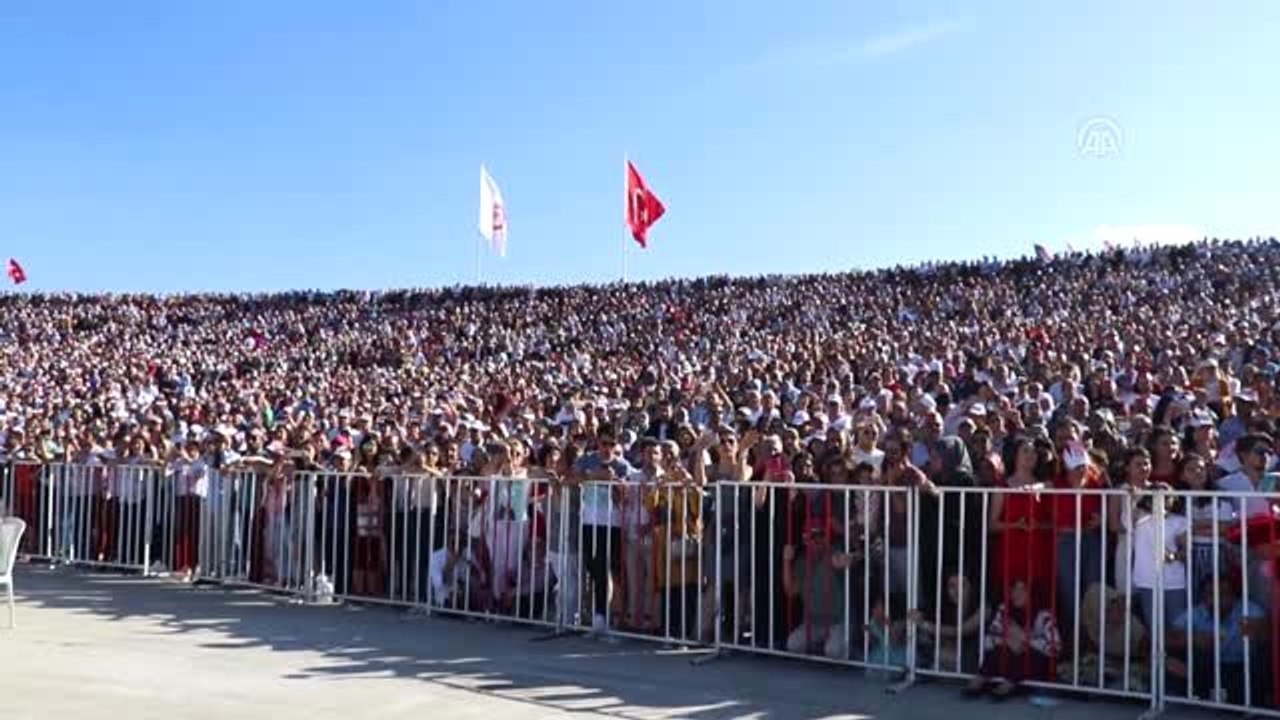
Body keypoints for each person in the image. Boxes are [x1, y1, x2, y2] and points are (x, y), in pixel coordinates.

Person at [966, 579, 1062, 699]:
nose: (1016, 593)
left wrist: (1025, 638)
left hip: (1032, 667)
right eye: (1014, 589)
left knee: (1032, 656)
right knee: (997, 651)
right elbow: (987, 641)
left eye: (1023, 589)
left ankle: (1008, 685)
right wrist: (1006, 640)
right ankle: (979, 680)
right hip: (1007, 659)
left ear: (1032, 593)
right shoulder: (1004, 609)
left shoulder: (1044, 615)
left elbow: (1056, 649)